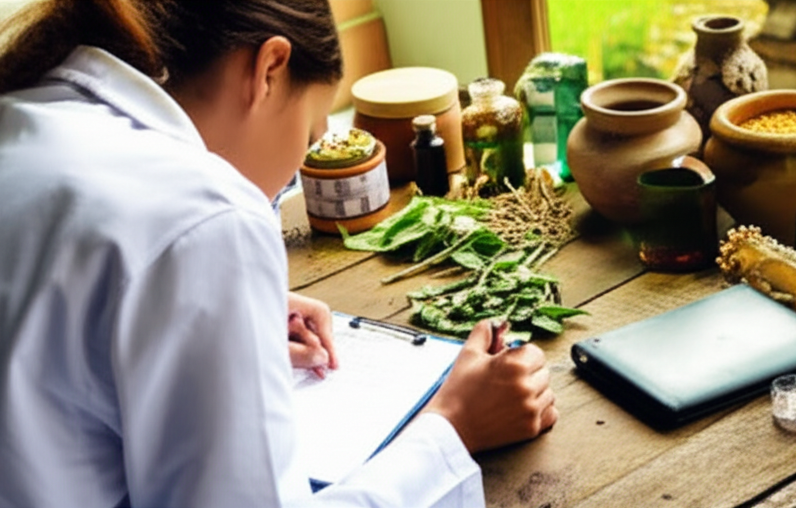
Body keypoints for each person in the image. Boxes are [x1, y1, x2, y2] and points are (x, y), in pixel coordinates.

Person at [0, 1, 558, 507]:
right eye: (311, 133)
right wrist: (452, 429)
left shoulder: (30, 112)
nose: (295, 171)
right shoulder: (203, 215)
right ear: (269, 69)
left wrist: (205, 311)